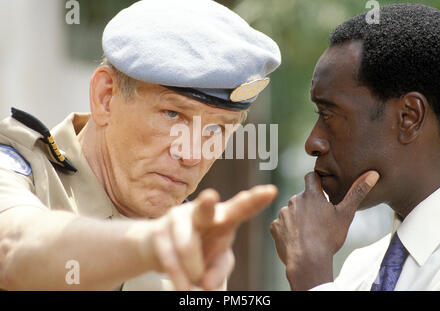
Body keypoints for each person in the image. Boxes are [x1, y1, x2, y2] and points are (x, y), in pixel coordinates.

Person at [0, 0, 281, 290]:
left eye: (216, 128)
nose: (193, 153)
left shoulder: (192, 248)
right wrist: (151, 246)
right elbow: (13, 249)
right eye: (173, 114)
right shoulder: (18, 173)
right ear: (105, 98)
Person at [270, 3, 440, 291]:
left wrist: (310, 274)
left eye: (329, 115)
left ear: (408, 117)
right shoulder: (361, 268)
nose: (312, 143)